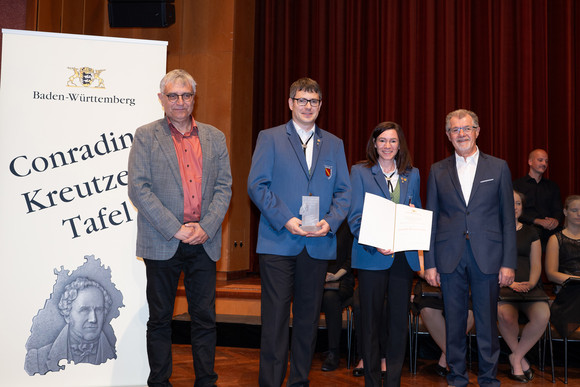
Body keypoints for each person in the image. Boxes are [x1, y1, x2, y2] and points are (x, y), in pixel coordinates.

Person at [128, 69, 232, 387]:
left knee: (204, 319)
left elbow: (224, 187)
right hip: (163, 240)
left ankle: (206, 381)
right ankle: (159, 382)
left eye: (186, 95)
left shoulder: (215, 137)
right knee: (160, 319)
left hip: (203, 240)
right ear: (162, 99)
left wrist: (207, 226)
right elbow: (138, 188)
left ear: (193, 98)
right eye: (173, 95)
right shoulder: (146, 135)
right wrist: (175, 228)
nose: (180, 102)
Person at [247, 77, 351, 387]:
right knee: (276, 320)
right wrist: (285, 219)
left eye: (314, 101)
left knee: (307, 321)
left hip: (318, 244)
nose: (308, 106)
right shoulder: (270, 137)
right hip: (279, 241)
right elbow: (257, 185)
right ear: (291, 103)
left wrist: (330, 222)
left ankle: (299, 382)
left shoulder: (333, 143)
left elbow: (344, 192)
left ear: (321, 105)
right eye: (302, 100)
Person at [424, 109, 516, 387]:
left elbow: (508, 219)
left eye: (466, 128)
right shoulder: (437, 170)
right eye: (455, 130)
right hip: (448, 256)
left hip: (488, 256)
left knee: (487, 323)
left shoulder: (498, 167)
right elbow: (432, 217)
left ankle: (488, 379)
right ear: (448, 135)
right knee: (454, 323)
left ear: (477, 131)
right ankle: (456, 378)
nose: (461, 134)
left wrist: (508, 262)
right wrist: (429, 263)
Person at [348, 121, 421, 387]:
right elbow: (354, 216)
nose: (387, 146)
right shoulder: (360, 172)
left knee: (398, 324)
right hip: (371, 257)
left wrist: (413, 213)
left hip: (402, 259)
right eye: (382, 141)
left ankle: (393, 381)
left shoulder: (412, 175)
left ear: (400, 144)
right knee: (370, 322)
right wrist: (374, 242)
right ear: (374, 144)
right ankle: (370, 380)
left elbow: (418, 213)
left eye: (392, 141)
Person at [497, 190, 550, 383]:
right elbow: (489, 262)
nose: (514, 207)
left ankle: (516, 357)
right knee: (505, 315)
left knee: (543, 315)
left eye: (518, 203)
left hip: (530, 288)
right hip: (503, 286)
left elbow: (536, 264)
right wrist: (512, 284)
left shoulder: (531, 232)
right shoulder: (493, 230)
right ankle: (520, 362)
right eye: (510, 203)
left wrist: (531, 284)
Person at [25, 277, 115, 375]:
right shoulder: (37, 360)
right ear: (68, 314)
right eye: (84, 310)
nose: (93, 319)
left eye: (98, 310)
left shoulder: (120, 356)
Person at [412, 255, 475, 377]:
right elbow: (418, 264)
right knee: (427, 310)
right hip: (431, 282)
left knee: (469, 314)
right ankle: (454, 359)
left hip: (459, 282)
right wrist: (431, 274)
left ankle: (446, 358)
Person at [320, 221, 355, 371]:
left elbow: (351, 259)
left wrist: (335, 276)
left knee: (330, 298)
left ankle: (334, 352)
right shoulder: (317, 222)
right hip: (317, 276)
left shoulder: (348, 225)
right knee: (304, 296)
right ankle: (302, 350)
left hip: (342, 278)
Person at [545, 195, 580, 339]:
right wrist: (577, 279)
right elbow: (551, 274)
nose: (579, 214)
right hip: (567, 290)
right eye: (574, 210)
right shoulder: (555, 239)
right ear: (565, 212)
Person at [513, 149, 563, 248]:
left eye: (546, 161)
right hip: (526, 229)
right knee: (533, 233)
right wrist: (536, 221)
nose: (544, 163)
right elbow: (514, 211)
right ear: (530, 162)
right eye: (540, 160)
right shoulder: (517, 185)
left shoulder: (552, 186)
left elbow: (558, 210)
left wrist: (555, 220)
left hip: (550, 231)